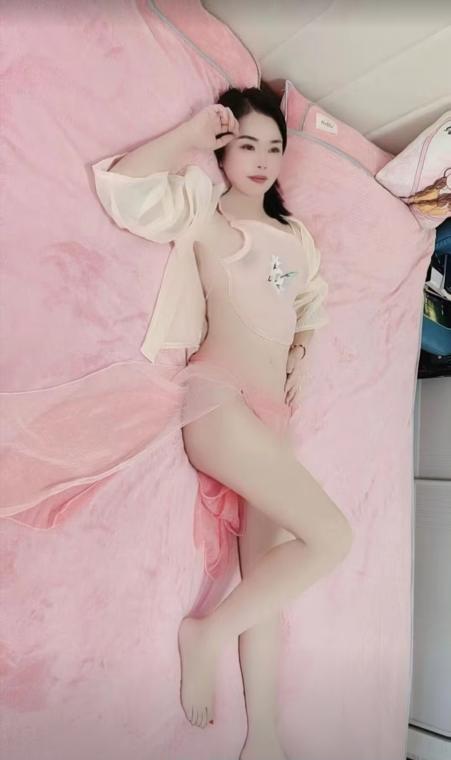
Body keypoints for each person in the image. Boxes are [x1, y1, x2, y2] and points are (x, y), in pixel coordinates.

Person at [0, 83, 353, 760]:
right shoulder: (204, 212)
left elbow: (310, 298)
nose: (261, 159)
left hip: (271, 417)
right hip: (219, 402)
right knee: (332, 537)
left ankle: (265, 735)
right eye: (245, 144)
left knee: (268, 576)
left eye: (273, 147)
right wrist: (191, 136)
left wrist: (304, 347)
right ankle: (206, 634)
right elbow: (124, 188)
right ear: (224, 151)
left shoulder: (297, 237)